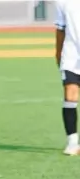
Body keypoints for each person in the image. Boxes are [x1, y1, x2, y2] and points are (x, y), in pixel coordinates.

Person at [55, 0, 80, 155]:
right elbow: (60, 30)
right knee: (70, 95)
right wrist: (58, 53)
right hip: (71, 57)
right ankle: (72, 143)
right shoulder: (62, 2)